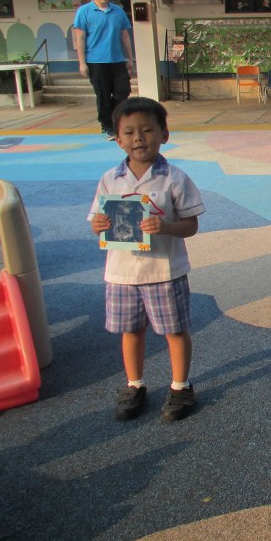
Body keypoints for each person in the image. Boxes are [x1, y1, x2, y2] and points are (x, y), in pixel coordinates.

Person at [89, 97, 206, 422]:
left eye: (147, 130)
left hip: (164, 271)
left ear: (164, 134)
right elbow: (97, 220)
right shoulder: (110, 179)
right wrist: (98, 225)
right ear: (117, 139)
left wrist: (165, 227)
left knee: (175, 331)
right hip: (122, 273)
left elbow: (191, 225)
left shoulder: (175, 178)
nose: (138, 138)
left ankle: (180, 386)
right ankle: (134, 384)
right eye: (129, 132)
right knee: (131, 331)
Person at [74, 0, 134, 140]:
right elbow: (80, 38)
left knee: (123, 91)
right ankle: (107, 126)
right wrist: (82, 62)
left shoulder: (118, 11)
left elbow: (125, 36)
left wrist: (130, 58)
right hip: (96, 62)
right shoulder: (84, 12)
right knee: (103, 95)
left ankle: (117, 121)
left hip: (117, 60)